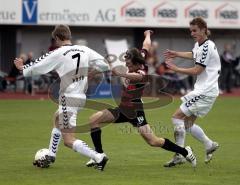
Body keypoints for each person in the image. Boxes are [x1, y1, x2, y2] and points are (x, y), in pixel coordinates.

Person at [85, 30, 197, 168]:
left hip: (135, 111)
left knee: (153, 141)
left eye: (130, 64)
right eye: (126, 63)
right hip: (122, 109)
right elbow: (146, 46)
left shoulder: (141, 72)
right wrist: (148, 35)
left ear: (138, 64)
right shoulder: (139, 57)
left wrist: (122, 74)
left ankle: (185, 151)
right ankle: (99, 156)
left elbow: (137, 77)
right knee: (94, 119)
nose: (127, 66)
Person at [14, 24, 109, 170]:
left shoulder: (59, 52)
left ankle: (98, 157)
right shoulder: (84, 49)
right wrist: (90, 72)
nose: (55, 42)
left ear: (57, 38)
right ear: (69, 36)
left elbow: (39, 65)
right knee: (57, 117)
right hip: (80, 97)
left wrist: (22, 68)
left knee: (68, 140)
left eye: (55, 40)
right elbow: (105, 65)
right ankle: (51, 154)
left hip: (68, 98)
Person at [163, 17, 220, 167]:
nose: (192, 33)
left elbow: (197, 70)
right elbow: (193, 54)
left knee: (176, 117)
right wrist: (176, 53)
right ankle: (209, 144)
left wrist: (176, 69)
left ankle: (180, 154)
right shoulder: (200, 45)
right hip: (206, 90)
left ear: (203, 29)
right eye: (191, 31)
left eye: (195, 31)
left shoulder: (207, 46)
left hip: (205, 91)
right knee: (187, 124)